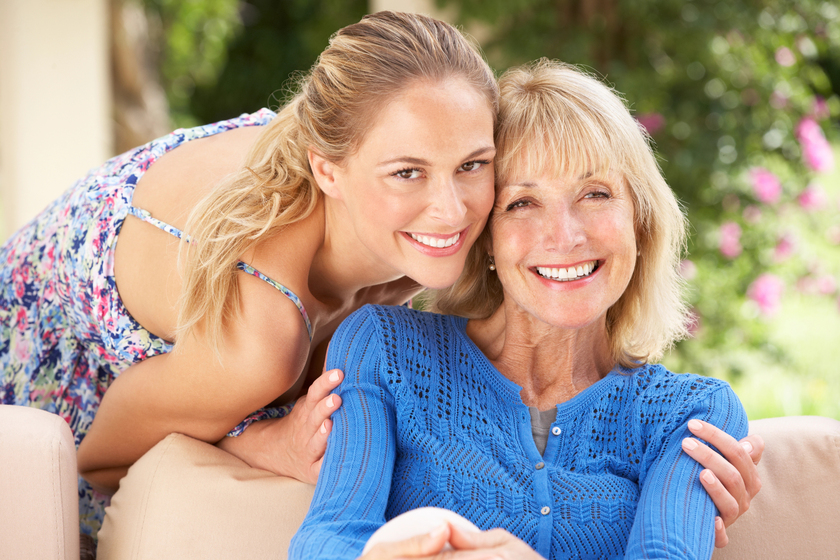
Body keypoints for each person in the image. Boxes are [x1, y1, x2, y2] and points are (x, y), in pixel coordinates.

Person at [0, 11, 499, 536]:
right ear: (327, 170)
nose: (452, 210)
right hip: (31, 375)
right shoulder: (259, 338)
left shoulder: (409, 233)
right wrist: (264, 441)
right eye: (407, 172)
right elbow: (94, 459)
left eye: (472, 164)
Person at [289, 59, 757, 560]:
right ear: (487, 238)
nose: (565, 236)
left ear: (639, 221)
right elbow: (329, 536)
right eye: (522, 204)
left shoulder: (689, 414)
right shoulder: (387, 349)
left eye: (595, 194)